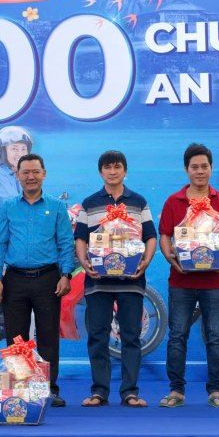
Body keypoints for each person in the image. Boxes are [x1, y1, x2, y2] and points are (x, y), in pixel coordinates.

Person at [157, 143, 219, 409]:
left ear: (211, 168)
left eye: (204, 166)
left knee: (216, 335)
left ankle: (216, 390)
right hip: (181, 281)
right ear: (186, 170)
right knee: (178, 334)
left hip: (214, 281)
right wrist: (170, 256)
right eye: (195, 167)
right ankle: (176, 390)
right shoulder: (174, 201)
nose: (200, 171)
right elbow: (165, 236)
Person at [74, 150, 157, 408]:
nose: (113, 171)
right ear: (101, 172)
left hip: (131, 282)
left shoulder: (139, 202)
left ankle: (130, 391)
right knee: (98, 335)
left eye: (117, 166)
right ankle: (99, 391)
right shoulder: (89, 203)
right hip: (98, 282)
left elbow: (150, 236)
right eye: (108, 167)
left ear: (125, 170)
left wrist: (145, 261)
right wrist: (85, 262)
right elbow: (80, 238)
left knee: (131, 336)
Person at [0, 154, 74, 407]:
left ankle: (49, 388)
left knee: (49, 335)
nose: (30, 177)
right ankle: (19, 387)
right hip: (14, 279)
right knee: (16, 338)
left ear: (44, 174)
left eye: (35, 171)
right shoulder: (8, 206)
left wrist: (65, 274)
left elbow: (65, 244)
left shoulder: (57, 207)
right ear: (18, 175)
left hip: (48, 278)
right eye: (25, 172)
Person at [0, 126, 33, 227]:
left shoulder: (17, 172)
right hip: (3, 235)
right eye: (14, 149)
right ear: (2, 152)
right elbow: (17, 207)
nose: (20, 154)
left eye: (23, 149)